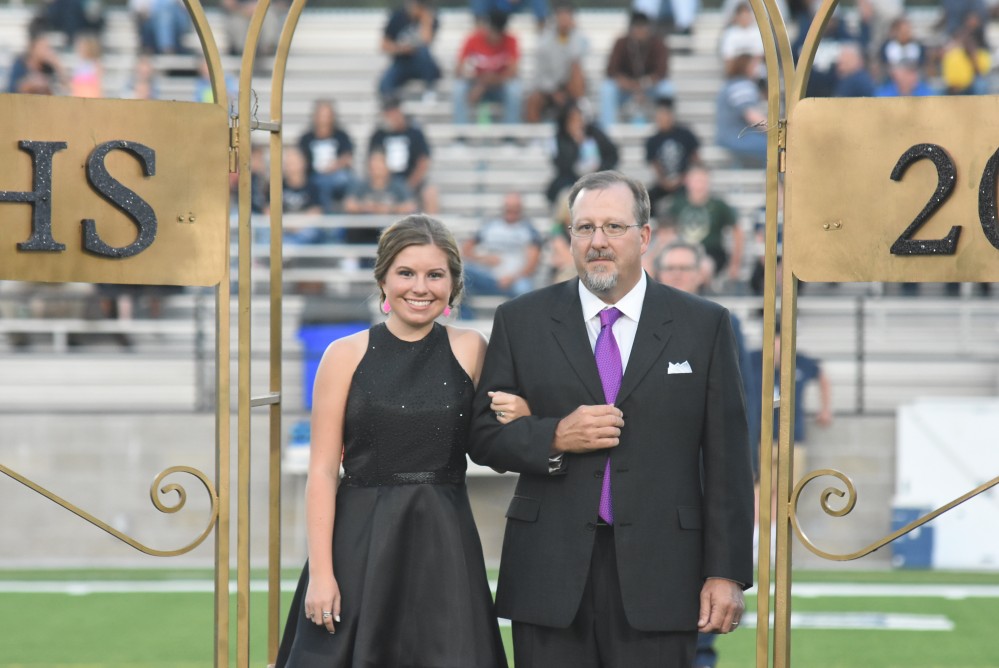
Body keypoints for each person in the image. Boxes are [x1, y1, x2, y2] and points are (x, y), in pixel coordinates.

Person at [469, 170, 754, 667]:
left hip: (664, 572)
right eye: (584, 228)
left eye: (613, 227)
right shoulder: (520, 319)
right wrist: (555, 434)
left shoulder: (704, 324)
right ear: (570, 237)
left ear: (644, 236)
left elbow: (728, 460)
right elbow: (484, 437)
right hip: (548, 573)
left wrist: (726, 572)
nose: (598, 241)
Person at [275, 215, 508, 667]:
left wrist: (520, 413)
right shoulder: (343, 355)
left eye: (435, 275)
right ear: (383, 279)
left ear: (453, 285)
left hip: (445, 543)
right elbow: (322, 472)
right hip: (358, 545)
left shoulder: (472, 348)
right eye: (406, 273)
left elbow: (495, 439)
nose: (420, 287)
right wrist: (322, 574)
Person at [654, 239, 759, 668]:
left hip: (704, 487)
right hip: (653, 488)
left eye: (686, 267)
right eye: (671, 268)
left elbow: (740, 410)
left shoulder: (720, 324)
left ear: (702, 274)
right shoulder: (638, 326)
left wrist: (743, 473)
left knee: (703, 608)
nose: (678, 275)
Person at [663, 166, 745, 287]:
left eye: (702, 181)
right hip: (682, 250)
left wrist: (735, 264)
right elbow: (666, 231)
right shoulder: (678, 203)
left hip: (712, 252)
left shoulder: (718, 205)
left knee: (702, 267)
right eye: (696, 181)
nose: (699, 185)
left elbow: (737, 231)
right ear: (687, 181)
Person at [462, 191, 543, 303]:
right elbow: (466, 248)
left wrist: (512, 278)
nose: (511, 211)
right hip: (489, 277)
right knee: (462, 272)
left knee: (525, 290)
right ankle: (466, 317)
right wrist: (484, 259)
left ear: (521, 208)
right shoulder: (490, 225)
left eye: (515, 208)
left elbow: (532, 264)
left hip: (516, 279)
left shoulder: (528, 230)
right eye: (509, 207)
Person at [599, 11, 673, 128]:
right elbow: (611, 70)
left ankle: (667, 127)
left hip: (649, 89)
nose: (639, 31)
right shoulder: (622, 43)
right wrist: (630, 85)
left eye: (642, 27)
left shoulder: (657, 43)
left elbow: (662, 71)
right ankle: (607, 130)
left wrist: (644, 84)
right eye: (636, 27)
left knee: (667, 88)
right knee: (607, 88)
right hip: (625, 90)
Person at [368, 96, 440, 213]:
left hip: (410, 181)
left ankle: (432, 230)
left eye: (393, 112)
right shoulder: (378, 135)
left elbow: (424, 161)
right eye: (388, 113)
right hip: (384, 184)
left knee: (430, 192)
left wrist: (408, 185)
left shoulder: (415, 133)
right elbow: (372, 161)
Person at [452, 10, 523, 125]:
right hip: (476, 84)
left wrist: (485, 83)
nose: (495, 37)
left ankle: (511, 135)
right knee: (458, 89)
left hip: (498, 86)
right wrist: (479, 82)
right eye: (492, 31)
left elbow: (514, 71)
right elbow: (458, 69)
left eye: (498, 33)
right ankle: (461, 135)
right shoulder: (473, 39)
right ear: (487, 27)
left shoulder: (510, 40)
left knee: (514, 90)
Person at [523, 1, 589, 123]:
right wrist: (554, 92)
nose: (564, 20)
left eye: (567, 16)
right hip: (547, 90)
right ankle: (534, 138)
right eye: (561, 16)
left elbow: (577, 61)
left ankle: (580, 106)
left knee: (576, 70)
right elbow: (540, 74)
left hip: (569, 88)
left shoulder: (578, 38)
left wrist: (572, 34)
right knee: (533, 100)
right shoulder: (544, 41)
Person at [546, 101, 619, 205]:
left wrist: (600, 168)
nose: (578, 123)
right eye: (573, 120)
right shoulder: (559, 139)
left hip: (599, 177)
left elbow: (612, 155)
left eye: (579, 118)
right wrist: (577, 144)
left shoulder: (595, 133)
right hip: (571, 180)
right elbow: (563, 166)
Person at [297, 99, 357, 214]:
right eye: (322, 115)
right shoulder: (306, 138)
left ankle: (350, 212)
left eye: (327, 115)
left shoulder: (341, 135)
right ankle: (327, 219)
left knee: (351, 180)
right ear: (315, 116)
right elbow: (302, 158)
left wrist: (334, 166)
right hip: (313, 176)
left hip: (337, 174)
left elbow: (347, 155)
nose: (324, 119)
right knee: (320, 184)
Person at [644, 96, 701, 213]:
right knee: (647, 199)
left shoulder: (685, 134)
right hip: (664, 182)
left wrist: (685, 178)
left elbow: (695, 158)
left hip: (685, 180)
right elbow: (654, 163)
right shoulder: (653, 140)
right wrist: (664, 181)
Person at [378, 0, 442, 100]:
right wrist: (401, 48)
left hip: (421, 61)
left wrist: (425, 18)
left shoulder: (429, 17)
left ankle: (430, 90)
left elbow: (426, 41)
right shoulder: (397, 17)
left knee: (424, 53)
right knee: (385, 84)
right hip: (402, 61)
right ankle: (391, 106)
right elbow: (383, 45)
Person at [715, 52, 768, 168]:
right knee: (775, 147)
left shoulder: (733, 84)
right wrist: (776, 130)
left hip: (730, 135)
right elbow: (752, 115)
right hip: (735, 136)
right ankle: (777, 184)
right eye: (755, 65)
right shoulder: (742, 85)